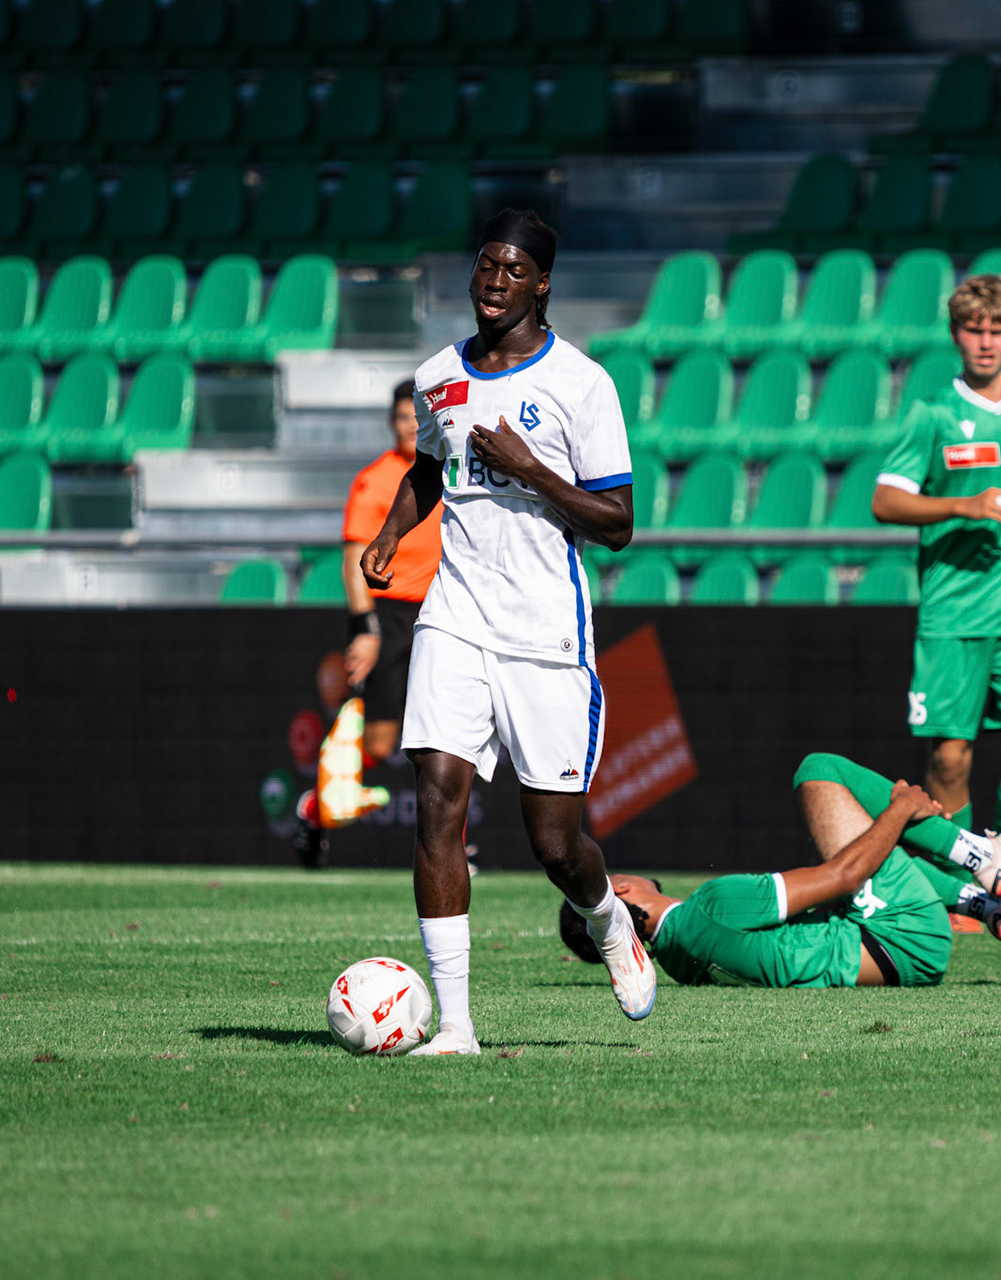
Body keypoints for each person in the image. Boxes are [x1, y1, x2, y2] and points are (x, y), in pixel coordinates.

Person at [359, 209, 650, 1056]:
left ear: (542, 284)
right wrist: (390, 534)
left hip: (545, 633)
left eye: (515, 269)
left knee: (555, 844)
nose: (496, 281)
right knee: (438, 801)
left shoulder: (582, 384)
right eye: (487, 265)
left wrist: (531, 469)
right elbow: (429, 468)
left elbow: (618, 522)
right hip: (454, 614)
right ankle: (456, 1026)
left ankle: (608, 921)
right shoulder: (437, 376)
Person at [870, 274, 1001, 931]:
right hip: (953, 612)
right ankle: (965, 891)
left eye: (997, 330)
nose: (985, 342)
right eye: (973, 329)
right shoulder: (931, 414)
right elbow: (886, 500)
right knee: (950, 759)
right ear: (956, 335)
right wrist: (964, 505)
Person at [558, 753, 1001, 989]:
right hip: (904, 935)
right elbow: (844, 876)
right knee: (819, 772)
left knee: (858, 846)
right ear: (618, 888)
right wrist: (901, 809)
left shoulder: (677, 962)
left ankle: (990, 906)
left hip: (899, 960)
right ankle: (980, 856)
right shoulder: (710, 906)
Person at [293, 380, 443, 869]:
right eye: (402, 418)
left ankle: (455, 848)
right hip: (390, 614)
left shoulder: (450, 471)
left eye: (418, 418)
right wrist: (366, 628)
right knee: (379, 742)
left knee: (448, 737)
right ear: (390, 422)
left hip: (442, 610)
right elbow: (354, 557)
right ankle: (315, 808)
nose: (411, 427)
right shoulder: (376, 480)